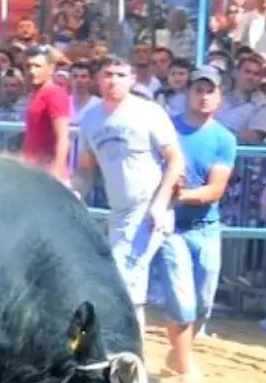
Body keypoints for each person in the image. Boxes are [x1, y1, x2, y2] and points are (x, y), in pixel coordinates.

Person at [73, 56, 185, 336]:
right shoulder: (90, 119)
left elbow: (175, 160)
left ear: (133, 79)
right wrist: (74, 192)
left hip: (148, 209)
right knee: (178, 295)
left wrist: (159, 204)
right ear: (98, 79)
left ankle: (129, 350)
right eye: (108, 74)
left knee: (125, 281)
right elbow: (86, 168)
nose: (113, 81)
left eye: (121, 75)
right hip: (119, 212)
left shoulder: (148, 112)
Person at [157, 66, 238, 383]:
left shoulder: (224, 139)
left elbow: (215, 189)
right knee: (183, 299)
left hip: (206, 226)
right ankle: (185, 364)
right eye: (198, 90)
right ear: (187, 93)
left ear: (219, 96)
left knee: (203, 301)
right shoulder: (167, 130)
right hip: (172, 226)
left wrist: (181, 194)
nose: (204, 96)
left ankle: (178, 354)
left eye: (210, 91)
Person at [21, 45, 72, 184]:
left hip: (48, 176)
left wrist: (56, 173)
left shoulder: (55, 93)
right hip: (33, 173)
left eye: (37, 66)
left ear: (51, 68)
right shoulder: (36, 95)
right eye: (28, 66)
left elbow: (63, 136)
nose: (32, 71)